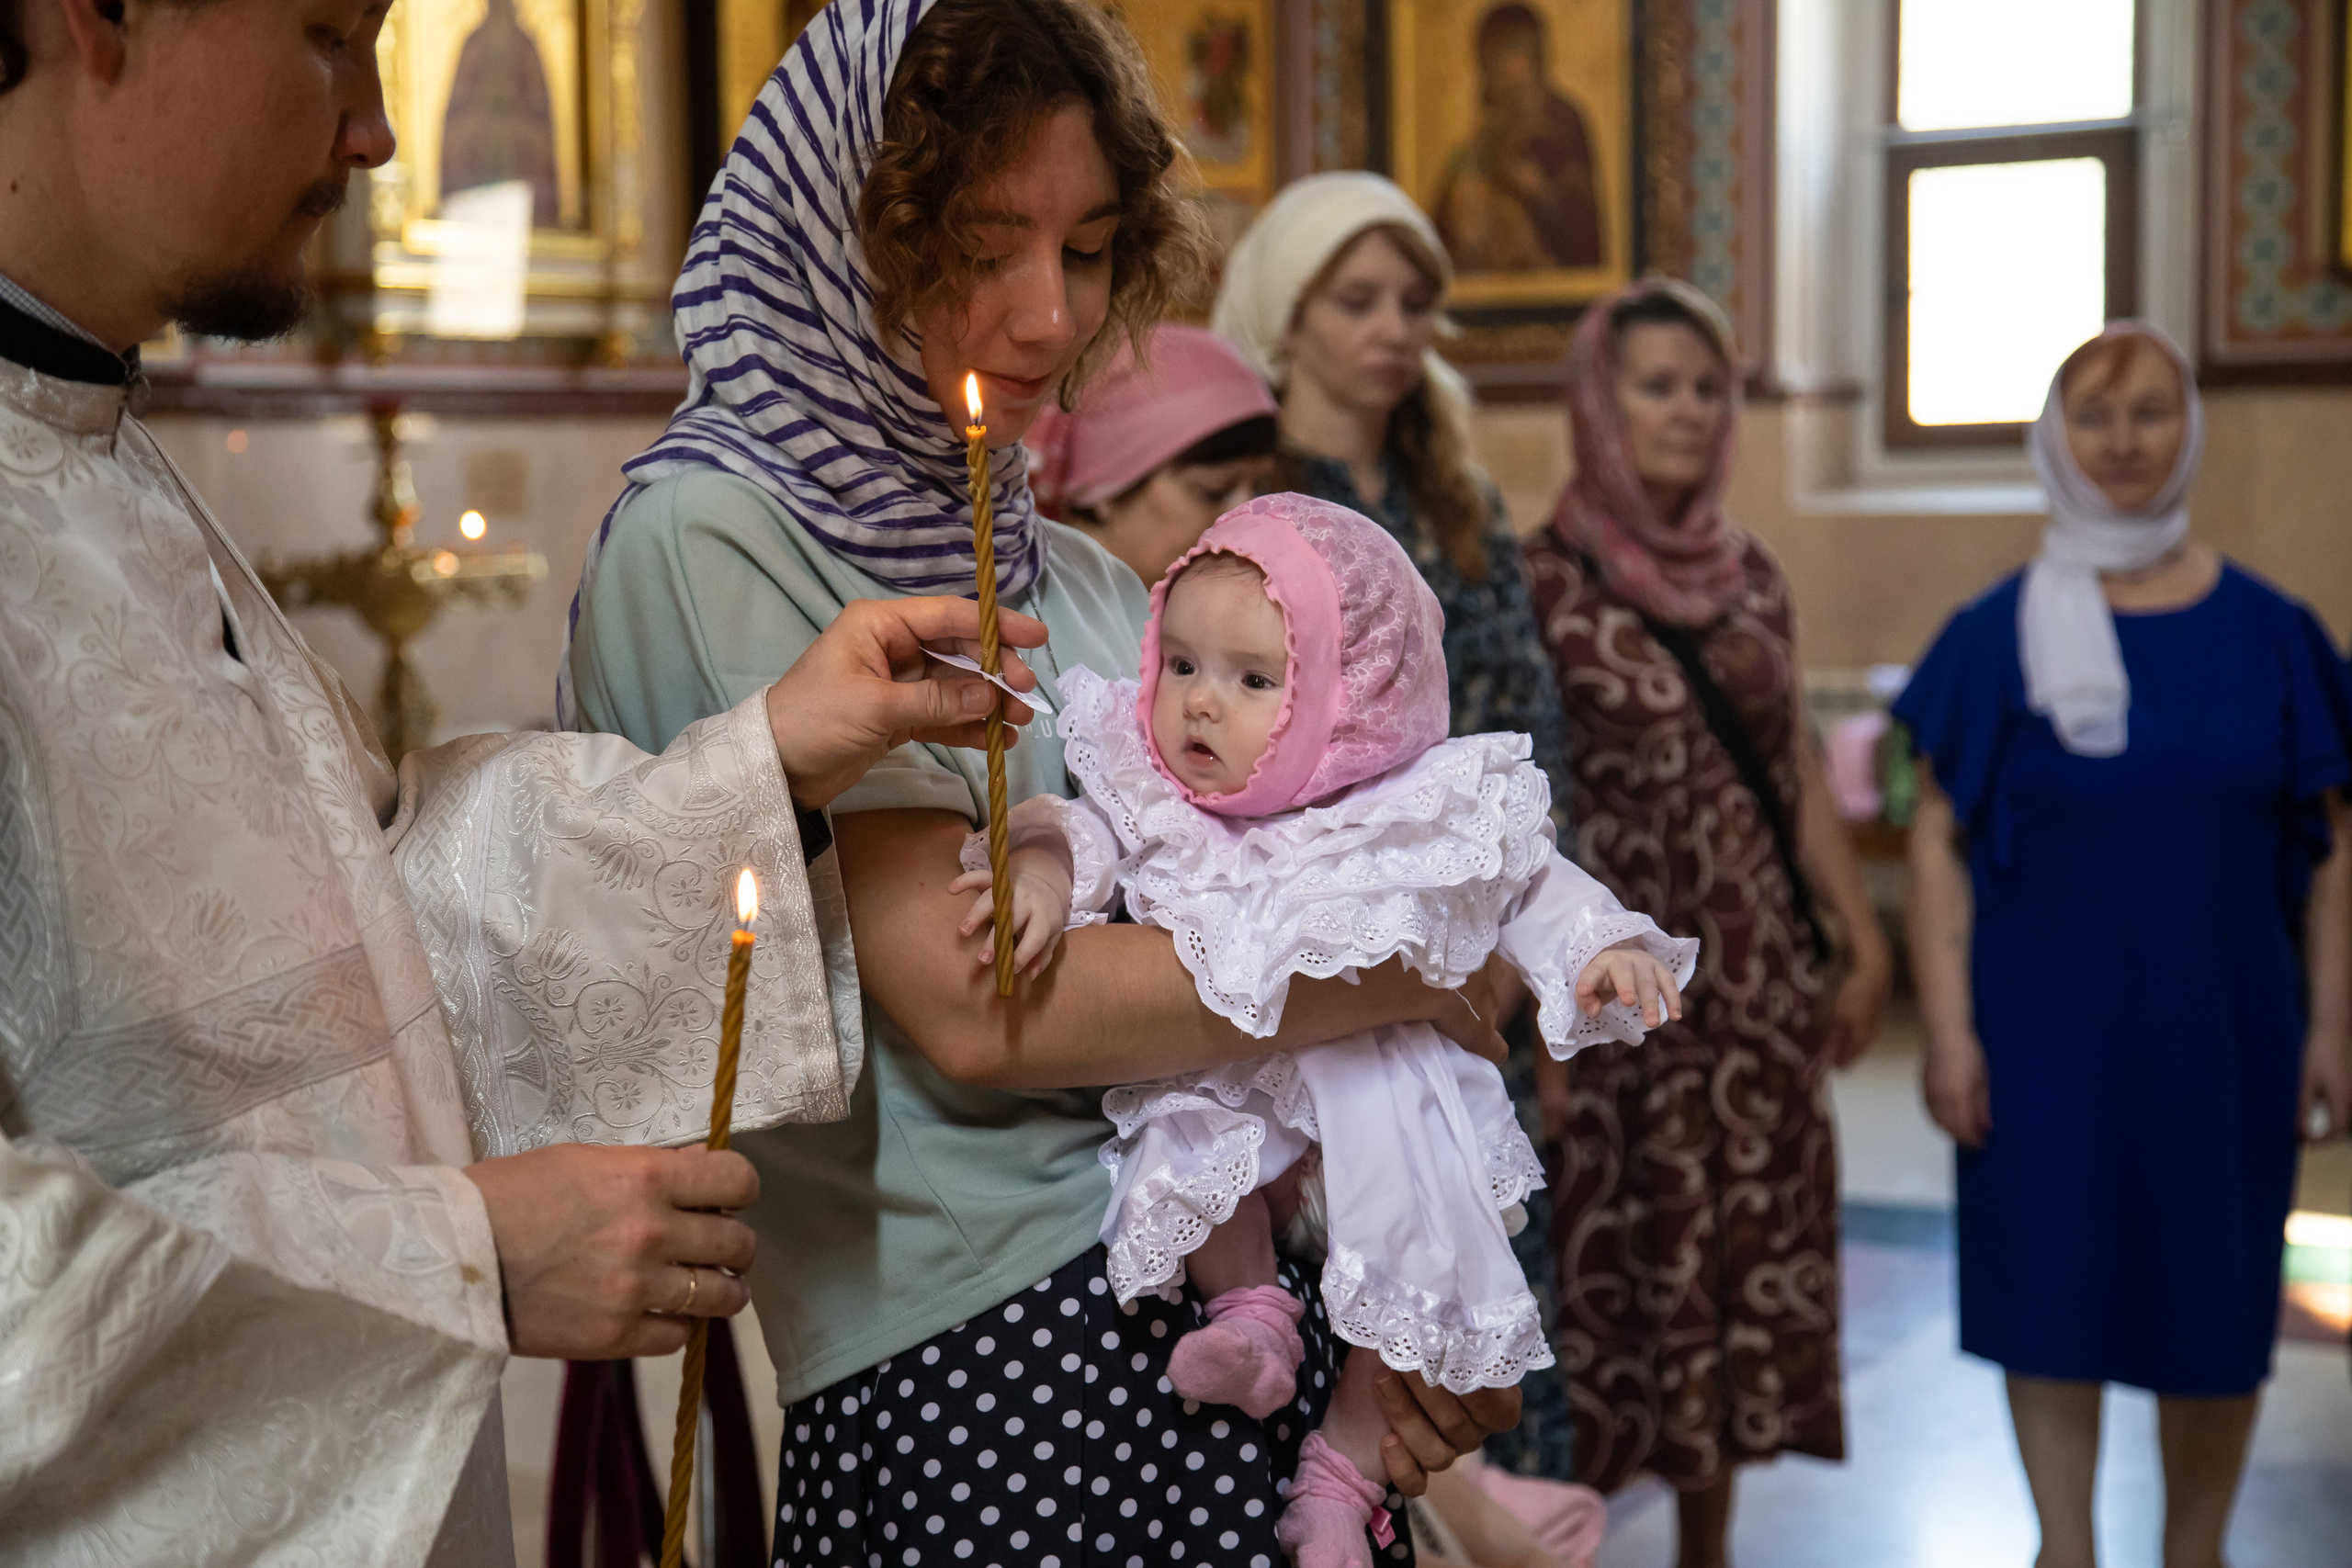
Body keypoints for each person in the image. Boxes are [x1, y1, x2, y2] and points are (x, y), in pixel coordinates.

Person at [0, 0, 1057, 1561]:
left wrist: (771, 766)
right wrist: (462, 1258)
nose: (375, 129)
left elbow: (368, 956)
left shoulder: (92, 457)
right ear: (98, 17)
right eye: (327, 38)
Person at [560, 3, 1527, 1562]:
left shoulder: (1075, 577)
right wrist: (1399, 970)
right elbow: (975, 1005)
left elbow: (1245, 901)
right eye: (981, 246)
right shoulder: (712, 542)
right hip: (981, 1357)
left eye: (1083, 254)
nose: (1042, 319)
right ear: (845, 233)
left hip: (1237, 1299)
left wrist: (1406, 1293)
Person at [949, 494, 1695, 1567]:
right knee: (1195, 1140)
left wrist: (1598, 950)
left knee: (1409, 1265)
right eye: (1183, 667)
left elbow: (1526, 877)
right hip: (1230, 1072)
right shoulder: (1160, 795)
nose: (1201, 707)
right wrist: (1041, 873)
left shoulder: (1406, 804)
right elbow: (1081, 828)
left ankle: (1341, 1477)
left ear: (1351, 702)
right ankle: (1249, 1311)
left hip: (1376, 1085)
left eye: (1254, 682)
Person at [1894, 321, 2352, 1568]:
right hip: (2043, 1033)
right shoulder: (1996, 634)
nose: (2125, 442)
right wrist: (1947, 1029)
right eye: (2095, 417)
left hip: (2224, 1025)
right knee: (2052, 1281)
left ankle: (2195, 1548)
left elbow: (2332, 843)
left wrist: (2330, 1025)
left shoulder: (2270, 629)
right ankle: (2065, 1546)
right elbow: (1936, 836)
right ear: (2056, 439)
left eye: (2151, 411)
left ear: (2189, 426)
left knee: (2213, 1288)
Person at [1216, 169, 1579, 1482]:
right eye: (1356, 298)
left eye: (1414, 302)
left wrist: (1517, 945)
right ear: (1284, 312)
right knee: (1345, 1277)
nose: (1393, 327)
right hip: (1333, 936)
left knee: (1483, 1281)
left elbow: (1526, 729)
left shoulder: (1459, 492)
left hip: (1478, 939)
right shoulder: (1248, 495)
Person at [1521, 277, 1892, 1568]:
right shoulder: (1538, 582)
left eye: (1706, 387)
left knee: (1737, 1261)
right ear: (1597, 403)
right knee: (1623, 1263)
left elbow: (1785, 761)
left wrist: (1854, 930)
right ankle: (1569, 1533)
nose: (1685, 410)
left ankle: (1710, 1550)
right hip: (1617, 993)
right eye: (1656, 385)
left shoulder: (1754, 577)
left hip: (1753, 989)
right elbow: (1521, 802)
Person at [1025, 321, 1279, 586]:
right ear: (1106, 489)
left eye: (1260, 490)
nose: (1243, 519)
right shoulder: (1027, 616)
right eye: (1212, 490)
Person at [1430, 4, 1603, 274]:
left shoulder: (1565, 121)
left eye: (1514, 54)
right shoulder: (1486, 128)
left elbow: (1584, 225)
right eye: (1495, 59)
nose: (1505, 69)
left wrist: (1541, 193)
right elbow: (1440, 230)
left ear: (1534, 59)